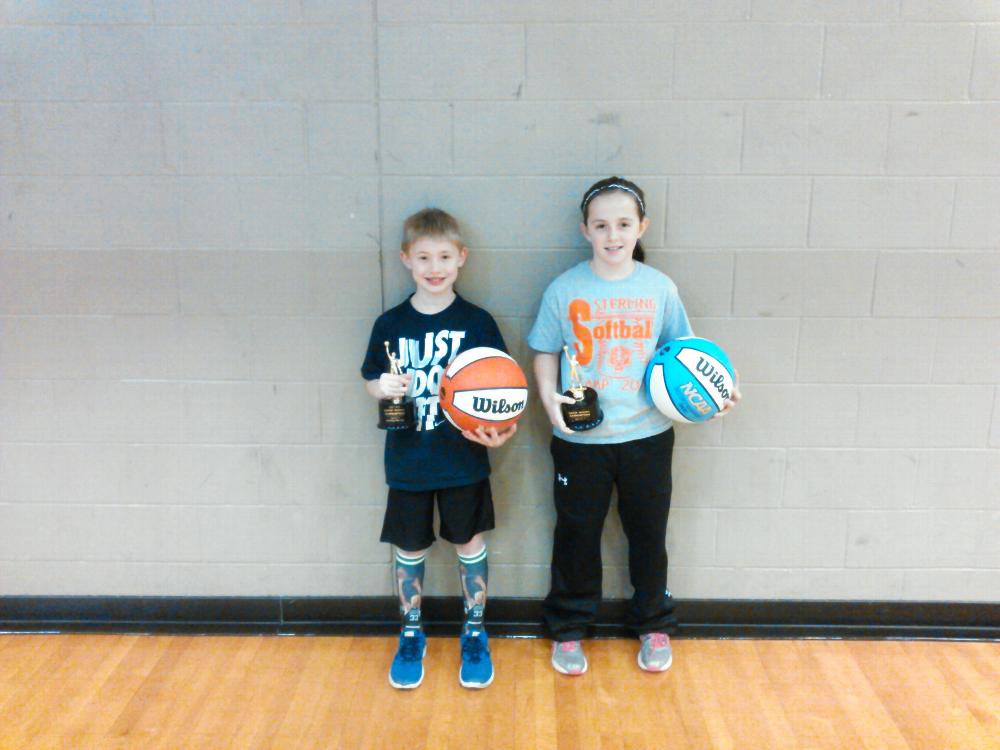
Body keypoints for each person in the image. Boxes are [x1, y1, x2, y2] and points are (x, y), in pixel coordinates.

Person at [527, 177, 740, 676]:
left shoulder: (659, 288)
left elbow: (689, 357)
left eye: (623, 224)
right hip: (580, 440)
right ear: (585, 230)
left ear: (641, 227)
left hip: (648, 437)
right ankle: (569, 627)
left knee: (648, 534)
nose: (613, 235)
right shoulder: (564, 288)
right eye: (601, 225)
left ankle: (653, 622)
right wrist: (548, 399)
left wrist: (716, 395)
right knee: (577, 535)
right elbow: (544, 349)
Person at [361, 208, 517, 690]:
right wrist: (382, 387)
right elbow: (370, 379)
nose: (435, 267)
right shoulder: (389, 323)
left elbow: (506, 389)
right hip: (408, 460)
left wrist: (502, 431)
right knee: (409, 546)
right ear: (405, 259)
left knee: (469, 542)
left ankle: (475, 630)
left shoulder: (478, 322)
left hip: (463, 460)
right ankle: (412, 632)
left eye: (444, 256)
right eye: (424, 257)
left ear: (461, 258)